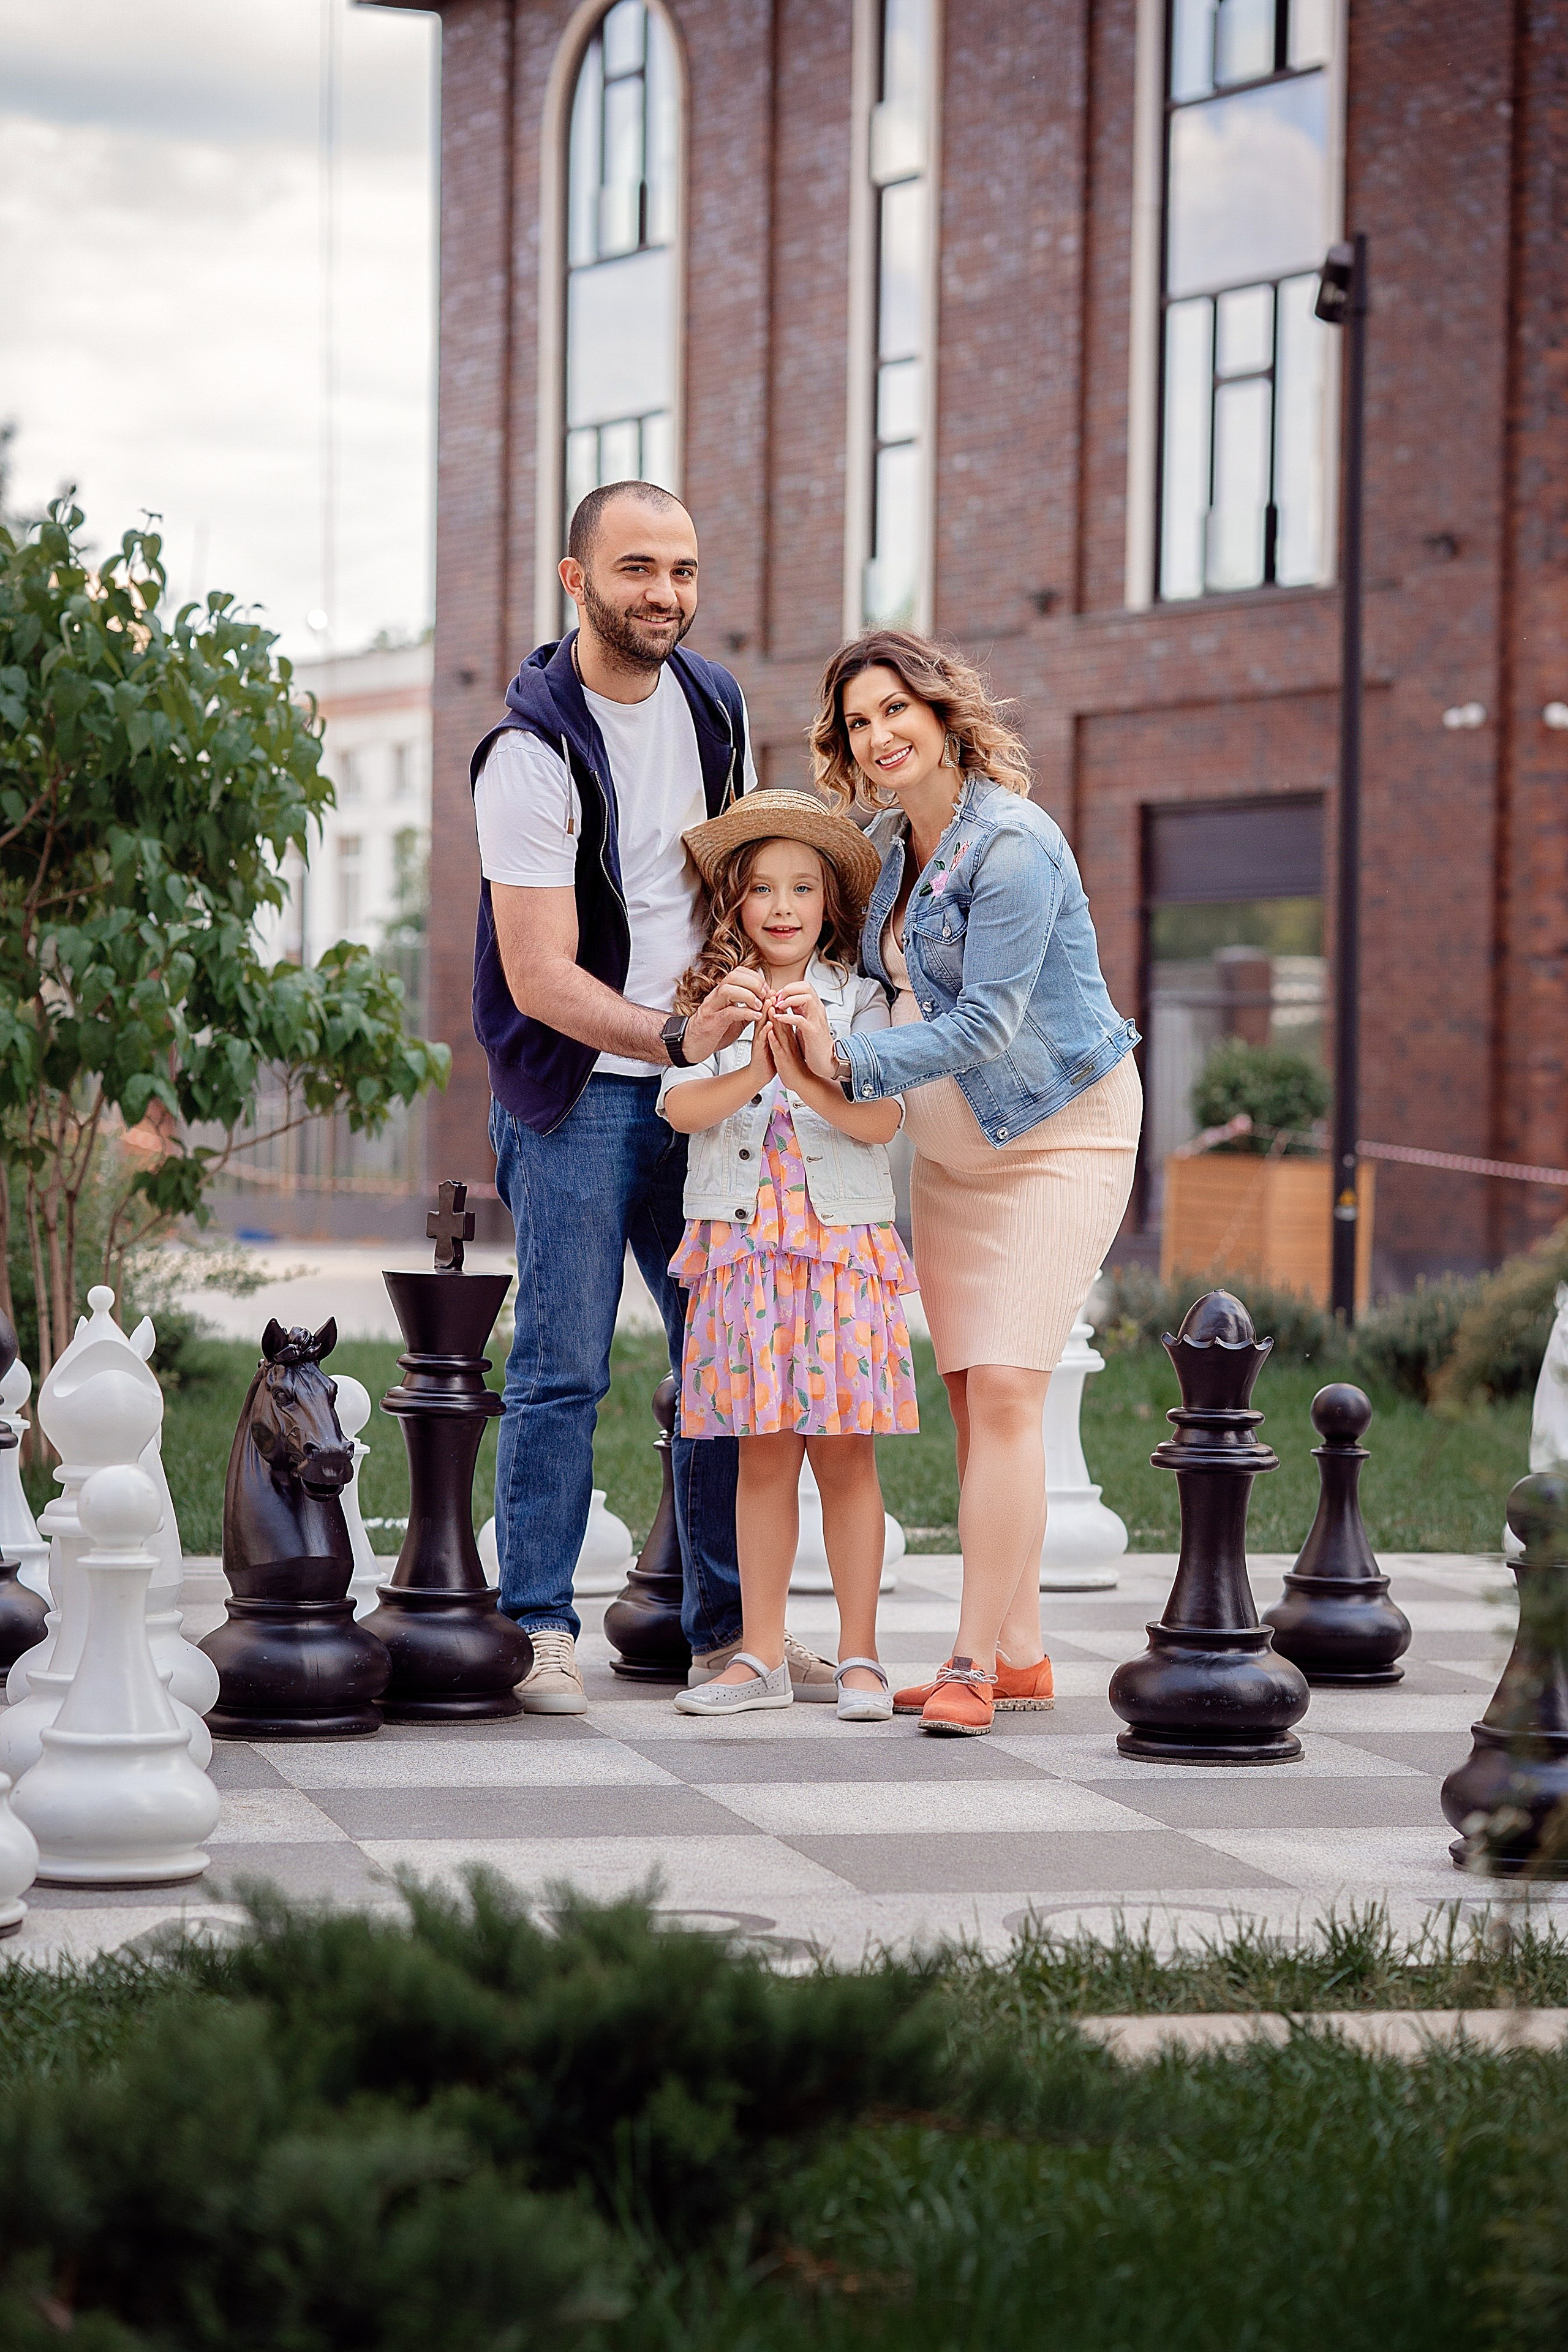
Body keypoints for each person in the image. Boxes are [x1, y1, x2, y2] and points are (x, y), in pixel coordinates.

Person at [470, 479, 834, 1712]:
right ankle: (536, 1629)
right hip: (574, 1092)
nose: (664, 594)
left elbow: (725, 886)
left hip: (705, 1090)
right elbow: (536, 976)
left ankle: (732, 1633)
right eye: (636, 570)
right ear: (575, 580)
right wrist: (670, 1031)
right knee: (563, 1368)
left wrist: (759, 1020)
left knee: (723, 1363)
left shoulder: (712, 703)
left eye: (680, 569)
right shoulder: (526, 753)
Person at [804, 630, 1143, 1736]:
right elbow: (864, 982)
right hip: (954, 1160)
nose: (881, 735)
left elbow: (986, 1022)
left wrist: (847, 1060)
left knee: (1005, 1395)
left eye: (897, 709)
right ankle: (1025, 1651)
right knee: (972, 1401)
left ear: (945, 715)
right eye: (860, 721)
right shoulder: (893, 847)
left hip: (1057, 1139)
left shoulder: (1015, 845)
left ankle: (969, 1664)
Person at [657, 792, 919, 1722]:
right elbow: (681, 1111)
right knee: (761, 1456)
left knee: (845, 1453)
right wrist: (752, 1069)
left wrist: (813, 1065)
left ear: (827, 902)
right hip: (743, 1254)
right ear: (735, 901)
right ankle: (760, 1656)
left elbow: (881, 1121)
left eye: (802, 887)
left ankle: (860, 1658)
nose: (782, 905)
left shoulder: (864, 1002)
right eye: (763, 888)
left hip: (840, 1249)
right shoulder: (708, 1003)